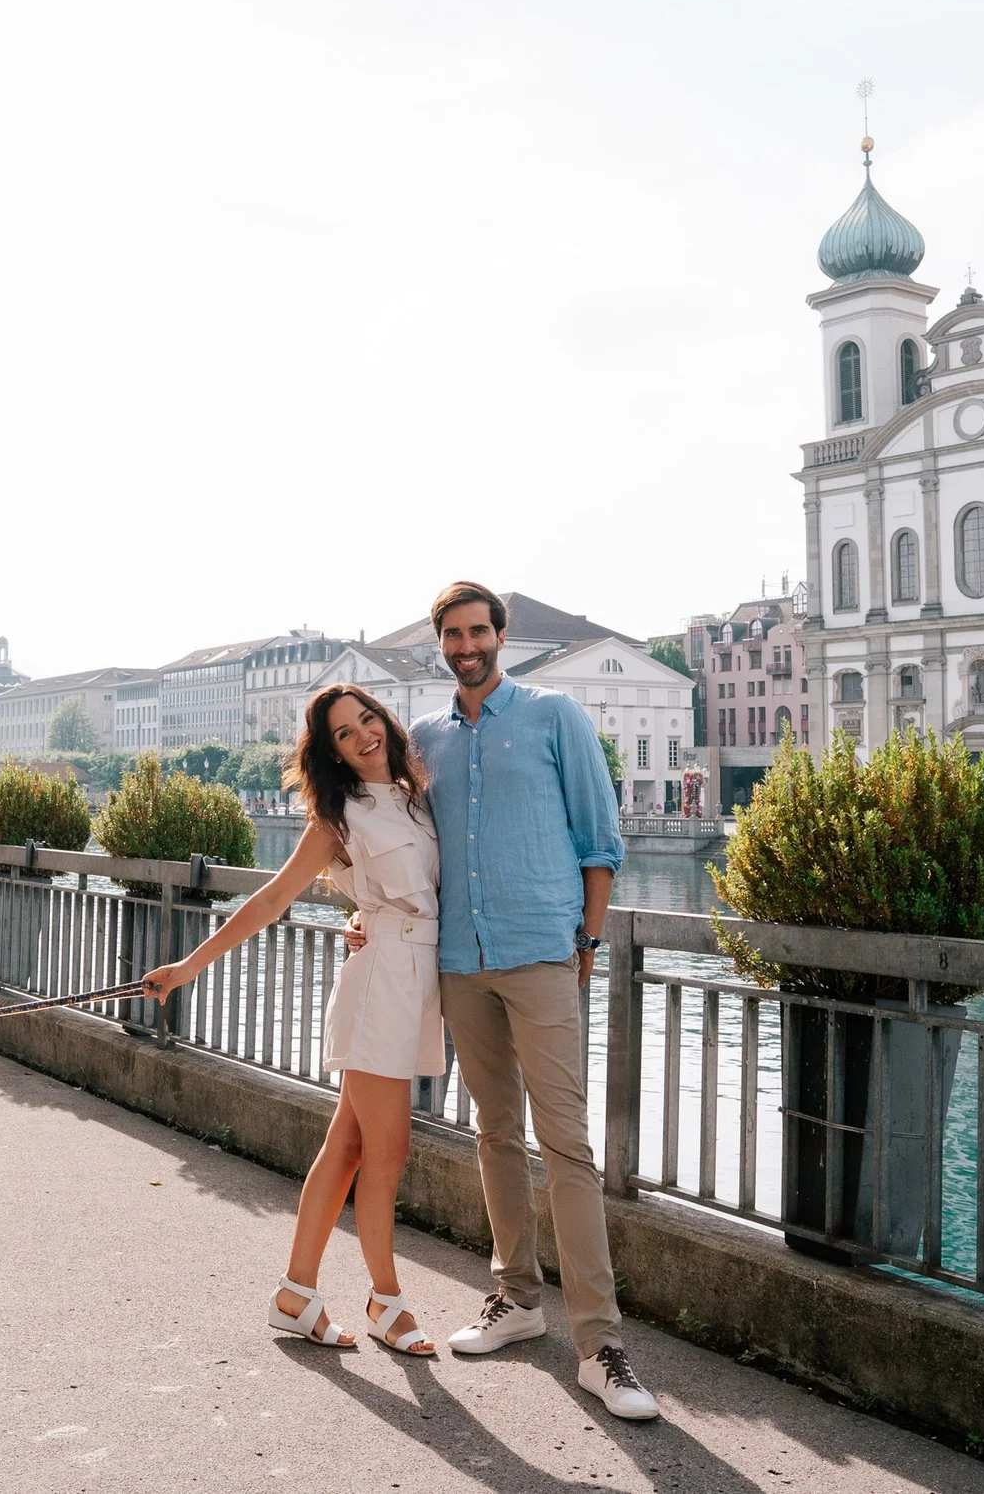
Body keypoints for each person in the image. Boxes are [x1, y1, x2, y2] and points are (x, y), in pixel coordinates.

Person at [365, 581, 660, 1420]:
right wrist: (367, 913)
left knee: (567, 1144)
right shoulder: (423, 740)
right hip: (461, 960)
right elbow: (403, 846)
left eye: (477, 630)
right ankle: (517, 1299)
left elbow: (600, 838)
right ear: (440, 643)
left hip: (541, 952)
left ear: (502, 633)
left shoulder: (555, 715)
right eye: (452, 634)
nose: (466, 644)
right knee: (495, 1132)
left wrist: (589, 942)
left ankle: (601, 1345)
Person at [145, 684, 443, 1357]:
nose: (363, 733)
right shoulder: (338, 818)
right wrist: (189, 966)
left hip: (417, 982)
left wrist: (363, 912)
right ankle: (387, 1301)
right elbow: (274, 896)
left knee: (349, 1147)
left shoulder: (415, 796)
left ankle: (296, 1293)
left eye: (367, 717)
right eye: (344, 731)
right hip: (378, 988)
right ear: (331, 752)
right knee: (386, 1152)